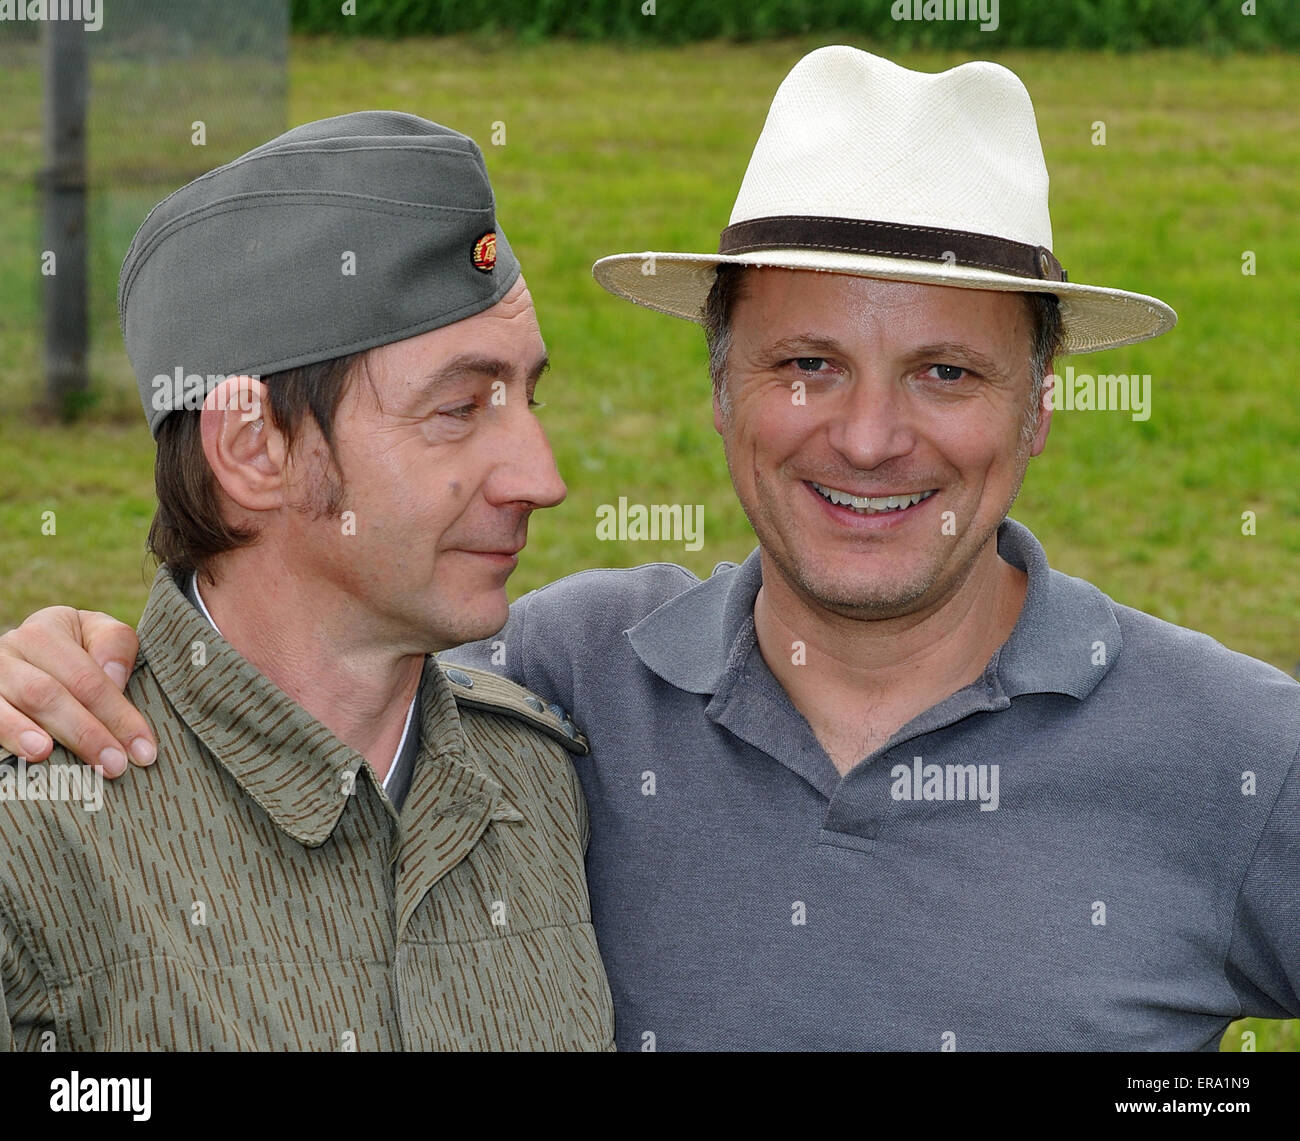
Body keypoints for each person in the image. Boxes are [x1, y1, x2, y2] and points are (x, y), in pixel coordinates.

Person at [3, 48, 1297, 1051]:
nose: (867, 437)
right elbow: (291, 659)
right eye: (805, 364)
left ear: (1040, 405)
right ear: (721, 388)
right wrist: (71, 666)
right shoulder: (575, 686)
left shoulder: (1239, 756)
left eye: (948, 373)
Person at [0, 112, 614, 1050]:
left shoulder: (541, 783)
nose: (542, 478)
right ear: (254, 448)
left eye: (529, 398)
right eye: (457, 409)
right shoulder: (35, 839)